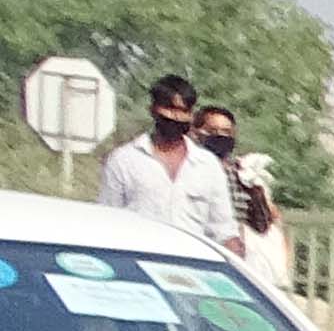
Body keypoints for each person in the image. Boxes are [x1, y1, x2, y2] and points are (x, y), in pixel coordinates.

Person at [96, 75, 235, 239]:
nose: (176, 117)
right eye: (170, 109)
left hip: (192, 260)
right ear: (153, 109)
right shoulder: (124, 160)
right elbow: (108, 221)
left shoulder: (207, 165)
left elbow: (224, 230)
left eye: (183, 111)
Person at [193, 105, 293, 283]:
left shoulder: (243, 174)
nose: (220, 136)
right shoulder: (191, 171)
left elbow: (271, 220)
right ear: (196, 132)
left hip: (240, 261)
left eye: (226, 131)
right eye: (213, 130)